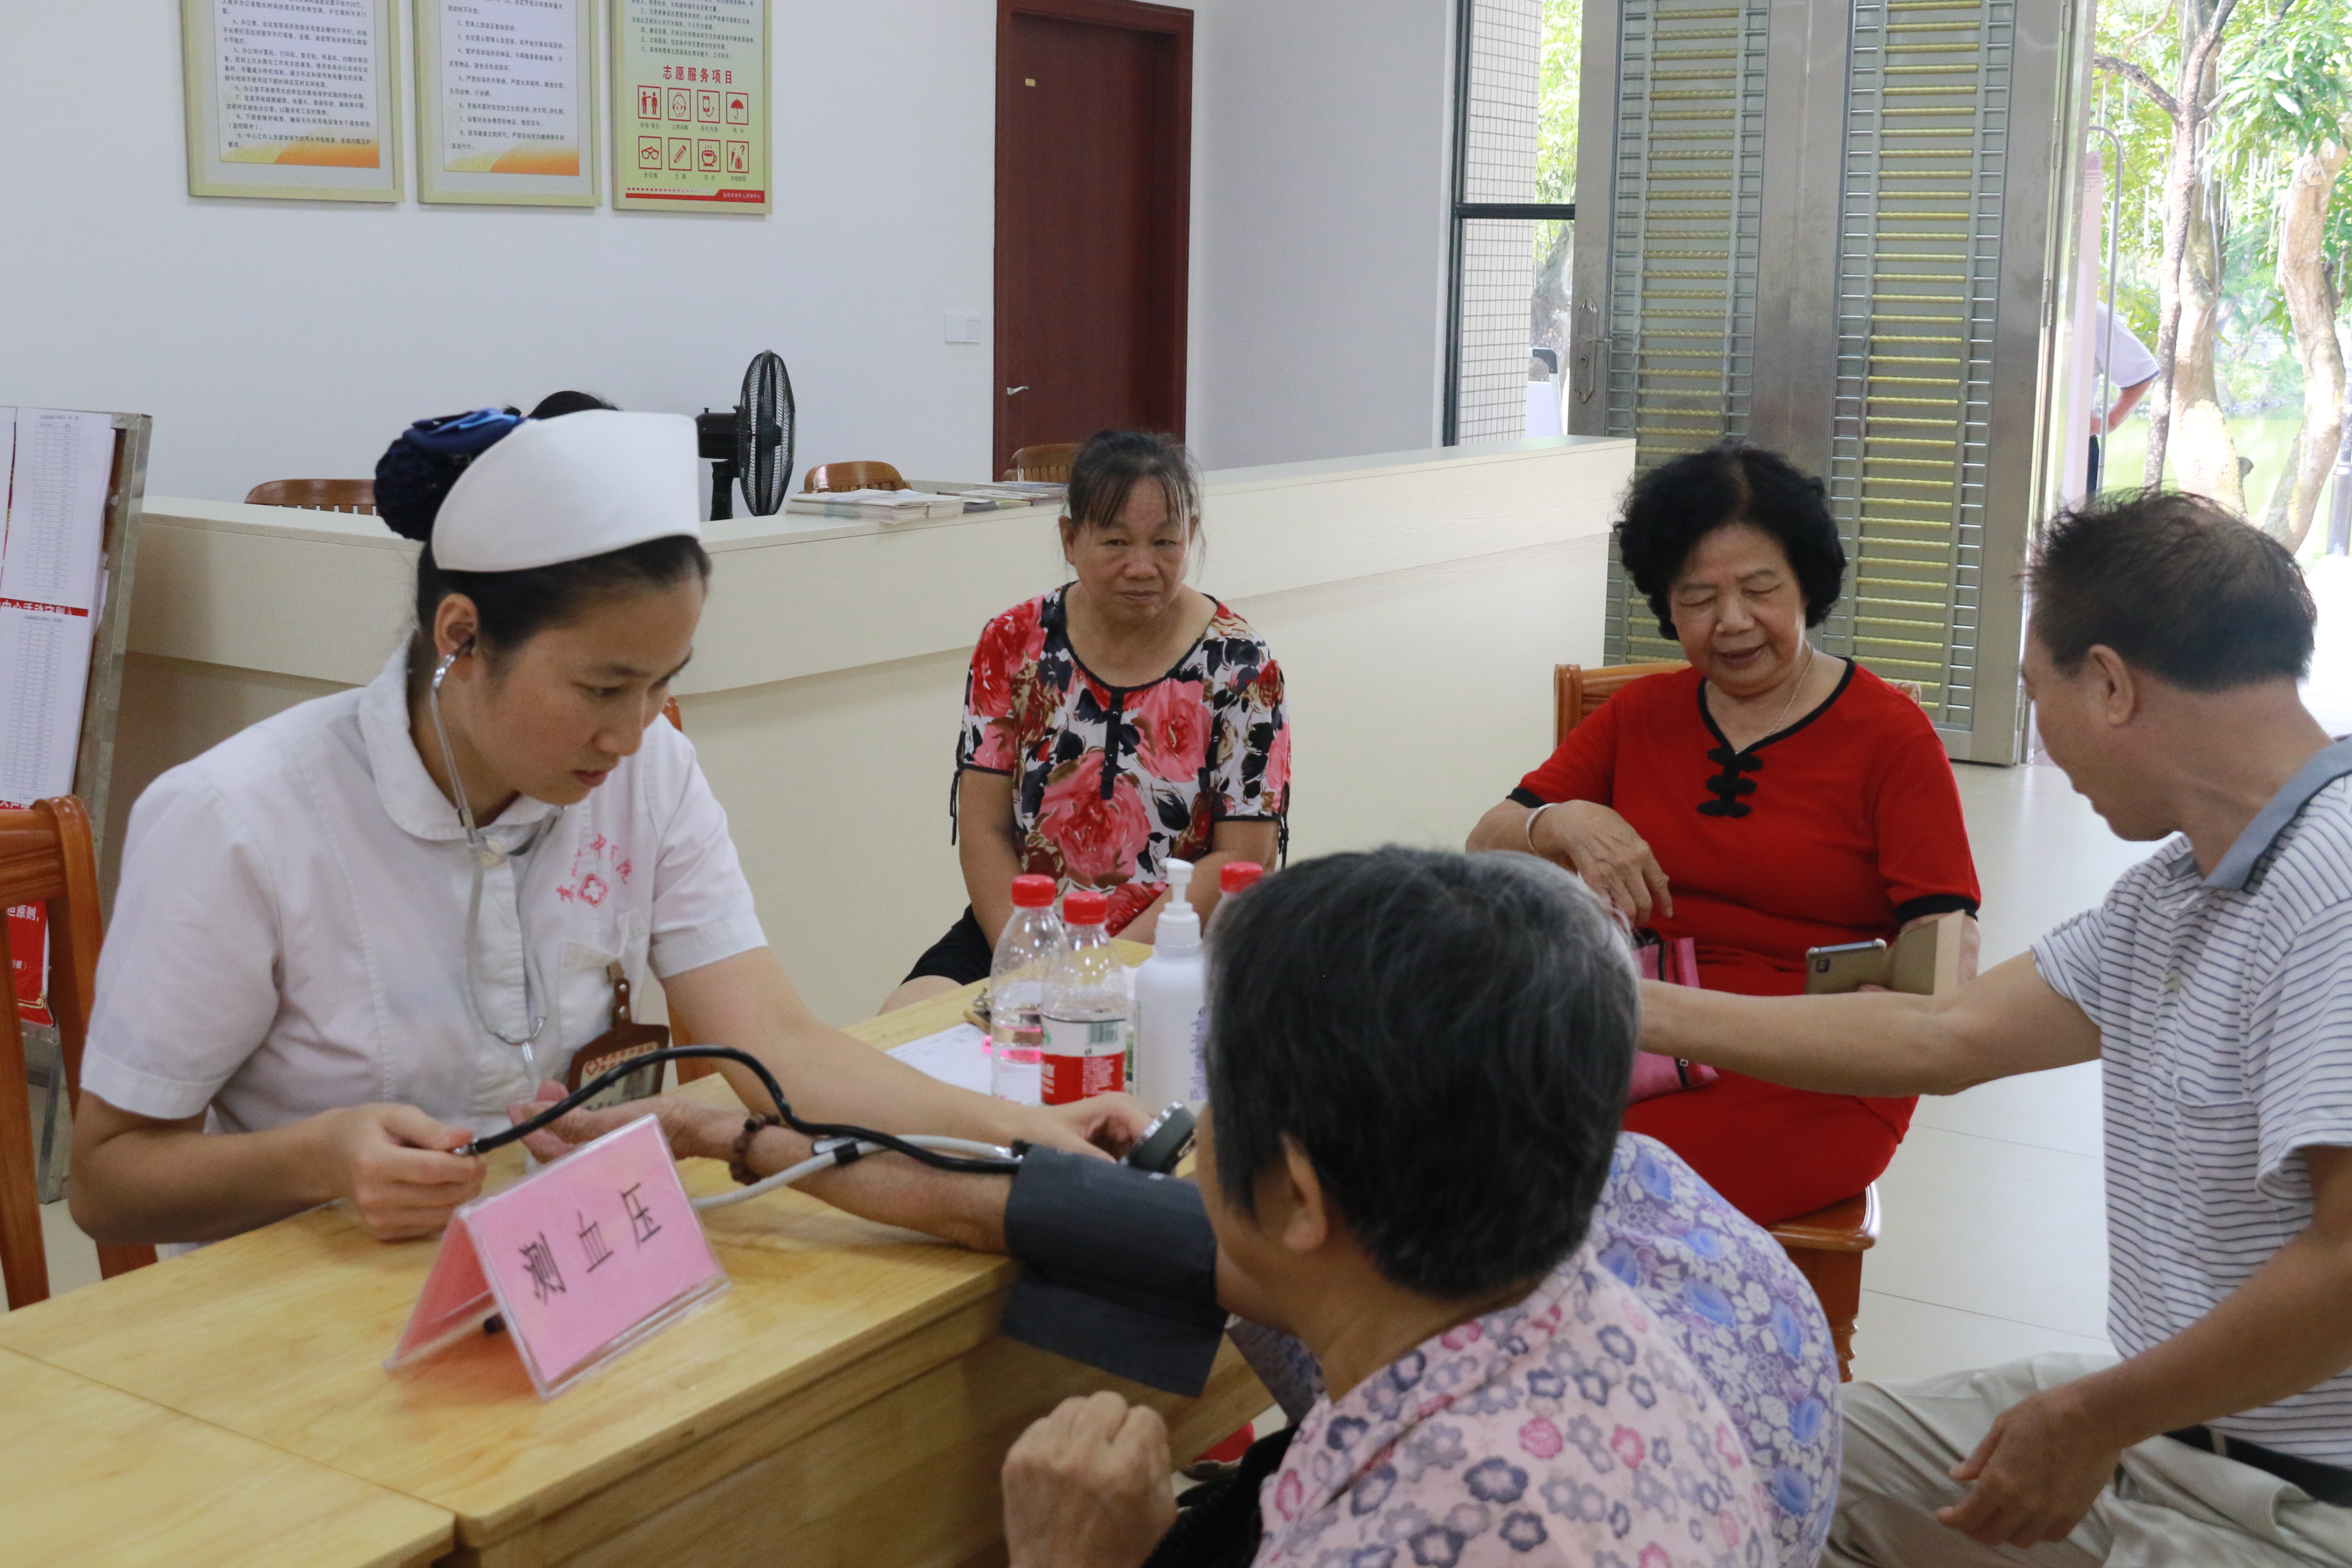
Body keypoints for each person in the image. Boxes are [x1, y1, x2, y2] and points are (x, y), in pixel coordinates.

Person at [532, 848, 1843, 1566]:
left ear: (1303, 1195)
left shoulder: (1418, 1530)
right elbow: (1077, 1214)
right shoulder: (1574, 1250)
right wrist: (746, 1137)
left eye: (1219, 1094)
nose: (1186, 1131)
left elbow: (1075, 1222)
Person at [67, 404, 1137, 1249]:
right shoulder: (240, 820)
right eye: (602, 687)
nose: (635, 732)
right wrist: (319, 1159)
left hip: (561, 1267)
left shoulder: (647, 770)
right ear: (461, 635)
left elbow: (778, 1045)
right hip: (299, 1316)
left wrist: (1021, 1134)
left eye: (663, 684)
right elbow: (111, 1183)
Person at [1640, 491, 2352, 1565]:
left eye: (2036, 695)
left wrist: (2094, 1416)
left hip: (2296, 1504)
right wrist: (1618, 1005)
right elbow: (1949, 1036)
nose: (2041, 738)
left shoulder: (2333, 891)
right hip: (2154, 1433)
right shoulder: (2177, 889)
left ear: (2108, 685)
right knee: (1724, 1460)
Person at [1467, 442, 1981, 1225]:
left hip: (1811, 1061)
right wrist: (1559, 820)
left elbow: (1947, 940)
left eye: (1759, 589)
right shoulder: (1641, 716)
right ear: (1666, 606)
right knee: (1438, 1130)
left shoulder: (1891, 736)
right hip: (1632, 1029)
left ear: (1807, 583)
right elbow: (1488, 841)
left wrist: (1909, 1014)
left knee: (1579, 1192)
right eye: (1698, 597)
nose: (1732, 622)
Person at [884, 430, 1289, 1012]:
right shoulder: (1014, 641)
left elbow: (1243, 856)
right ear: (1071, 539)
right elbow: (983, 827)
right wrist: (1032, 963)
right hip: (1024, 929)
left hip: (1174, 944)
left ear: (1191, 537)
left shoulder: (1240, 662)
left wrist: (1102, 973)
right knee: (903, 1029)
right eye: (1117, 542)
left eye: (1166, 542)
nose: (1142, 566)